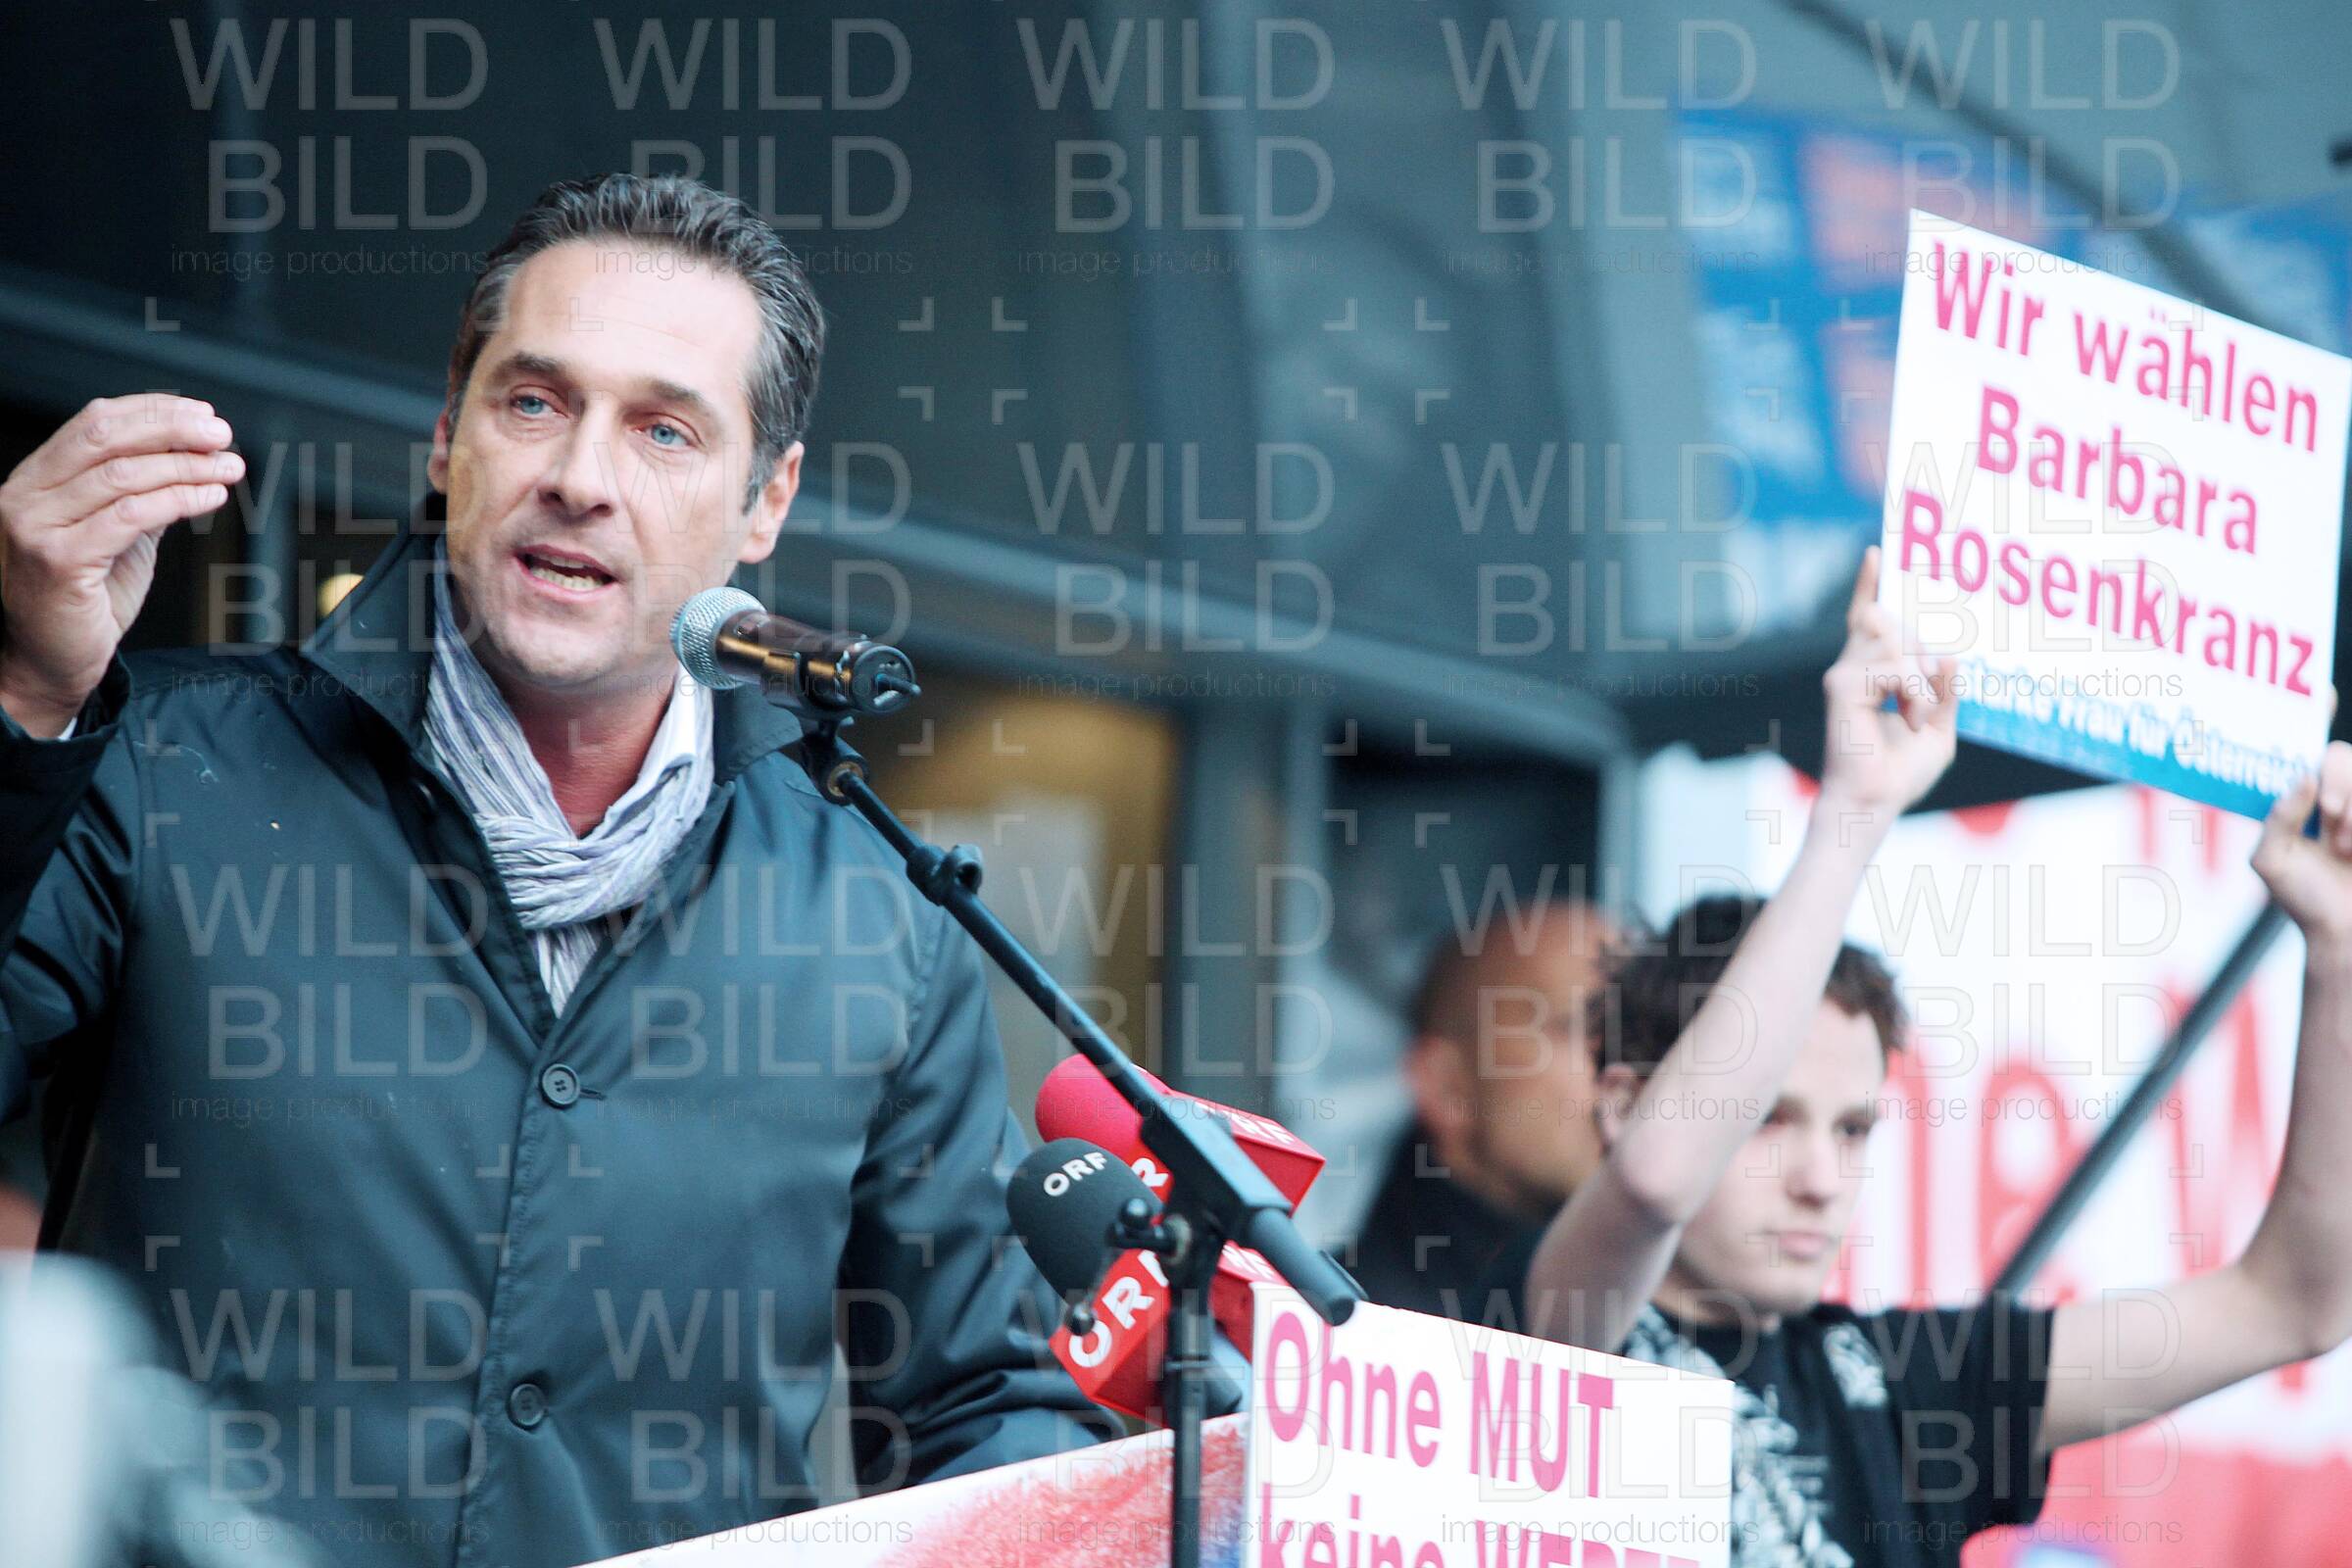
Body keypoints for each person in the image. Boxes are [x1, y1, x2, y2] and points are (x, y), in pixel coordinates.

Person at [0, 173, 1111, 1568]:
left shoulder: (881, 910)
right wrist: (25, 704)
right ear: (447, 433)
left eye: (663, 429)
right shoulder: (155, 767)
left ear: (765, 502)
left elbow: (980, 1407)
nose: (582, 477)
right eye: (534, 401)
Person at [1509, 548, 2352, 1567]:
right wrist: (1856, 810)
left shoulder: (1915, 1388)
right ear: (1622, 1104)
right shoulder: (1555, 1331)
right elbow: (1653, 1184)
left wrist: (2339, 946)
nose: (1822, 1179)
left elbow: (2293, 1303)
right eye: (1768, 1119)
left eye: (1854, 1129)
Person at [1348, 901, 1614, 1320]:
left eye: (1637, 1027)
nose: (1627, 1064)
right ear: (1446, 1085)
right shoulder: (1348, 1330)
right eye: (1582, 1026)